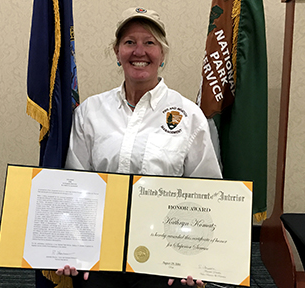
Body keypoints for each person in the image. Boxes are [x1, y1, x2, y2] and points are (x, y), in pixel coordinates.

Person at [57, 7, 222, 288]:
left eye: (150, 42)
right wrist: (72, 249)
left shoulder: (189, 115)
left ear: (163, 53)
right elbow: (76, 186)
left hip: (167, 257)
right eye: (130, 42)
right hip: (101, 253)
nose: (139, 51)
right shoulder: (91, 111)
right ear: (117, 51)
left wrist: (194, 261)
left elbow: (206, 193)